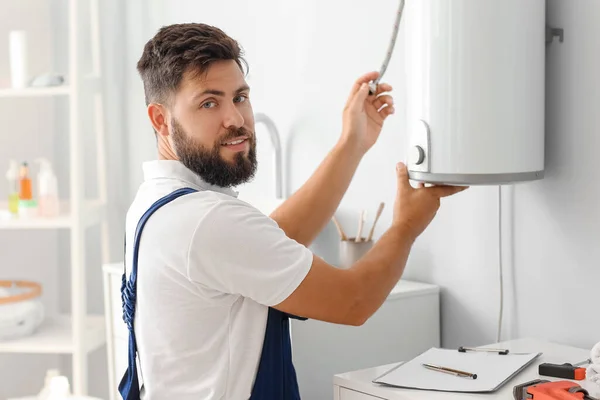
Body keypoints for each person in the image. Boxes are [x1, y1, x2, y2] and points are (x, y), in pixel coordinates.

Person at [120, 22, 467, 400]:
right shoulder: (205, 220)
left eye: (239, 97)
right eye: (209, 102)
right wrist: (407, 225)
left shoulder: (156, 203)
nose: (235, 119)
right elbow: (353, 301)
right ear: (160, 119)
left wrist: (352, 142)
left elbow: (270, 237)